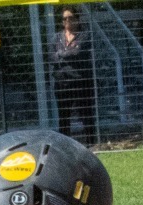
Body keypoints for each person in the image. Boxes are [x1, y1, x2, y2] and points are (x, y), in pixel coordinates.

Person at [51, 8, 98, 145]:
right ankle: (64, 146)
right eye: (64, 19)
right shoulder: (56, 37)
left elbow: (78, 53)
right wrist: (67, 54)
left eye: (70, 18)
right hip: (62, 83)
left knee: (85, 114)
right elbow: (51, 56)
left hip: (81, 82)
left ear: (77, 19)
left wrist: (61, 54)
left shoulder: (84, 35)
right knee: (64, 116)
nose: (67, 21)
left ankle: (90, 144)